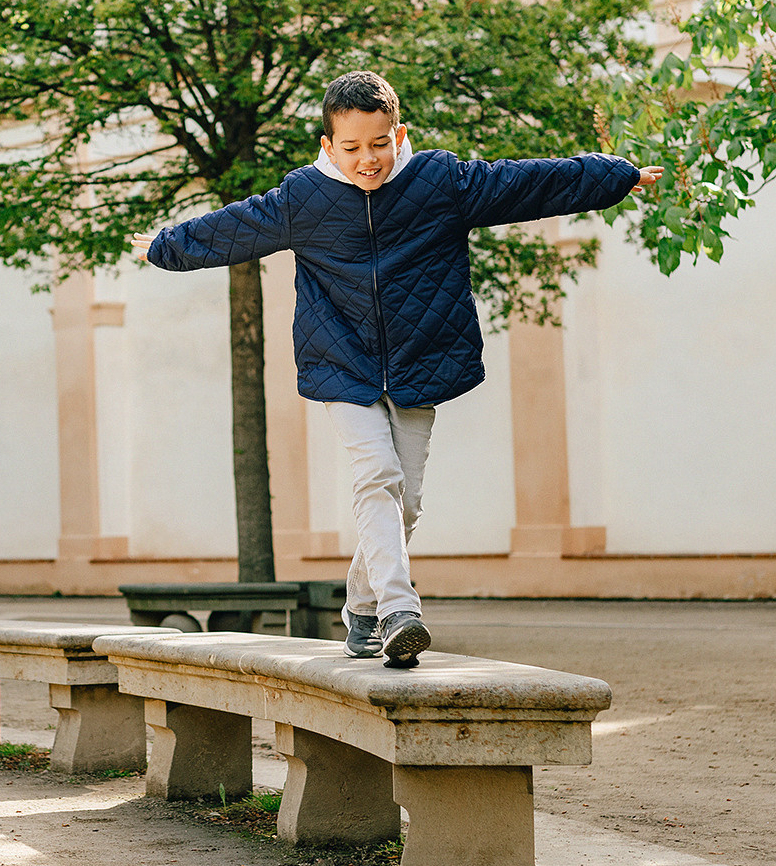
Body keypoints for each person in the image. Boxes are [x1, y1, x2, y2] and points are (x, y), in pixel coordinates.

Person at [133, 71, 662, 669]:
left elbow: (528, 183)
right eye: (352, 148)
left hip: (419, 361)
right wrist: (164, 245)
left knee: (405, 503)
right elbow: (234, 228)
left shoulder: (440, 181)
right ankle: (397, 611)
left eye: (379, 143)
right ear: (329, 146)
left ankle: (359, 607)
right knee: (376, 478)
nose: (368, 160)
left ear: (398, 133)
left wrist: (615, 175)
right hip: (343, 363)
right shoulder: (304, 198)